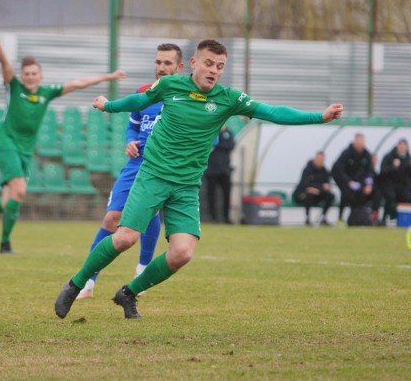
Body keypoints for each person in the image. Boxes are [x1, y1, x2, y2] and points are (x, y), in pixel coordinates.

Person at [55, 39, 343, 319]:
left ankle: (128, 293)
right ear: (193, 63)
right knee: (125, 237)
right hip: (153, 175)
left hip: (186, 186)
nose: (214, 70)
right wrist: (109, 105)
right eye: (208, 63)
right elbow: (139, 101)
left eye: (219, 66)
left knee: (182, 253)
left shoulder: (229, 99)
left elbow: (272, 112)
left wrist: (320, 116)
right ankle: (76, 284)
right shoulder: (169, 85)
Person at [0, 20, 125, 254]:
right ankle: (5, 245)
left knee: (6, 202)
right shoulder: (14, 87)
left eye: (34, 74)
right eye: (27, 74)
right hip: (7, 145)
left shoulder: (46, 93)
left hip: (25, 151)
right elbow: (4, 62)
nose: (30, 77)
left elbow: (79, 83)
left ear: (40, 76)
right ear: (22, 75)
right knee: (19, 190)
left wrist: (109, 76)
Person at [77, 43, 184, 300]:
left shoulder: (185, 99)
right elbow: (133, 127)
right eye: (158, 62)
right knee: (112, 218)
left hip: (161, 168)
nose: (161, 68)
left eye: (167, 63)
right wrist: (130, 141)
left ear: (179, 67)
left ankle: (142, 271)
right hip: (136, 165)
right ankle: (87, 282)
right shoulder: (144, 93)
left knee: (150, 217)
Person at [331, 133, 377, 225]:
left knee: (375, 192)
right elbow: (338, 170)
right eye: (358, 142)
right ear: (354, 142)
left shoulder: (367, 154)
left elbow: (370, 171)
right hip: (346, 181)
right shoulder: (346, 153)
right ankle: (340, 218)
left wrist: (369, 184)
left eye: (361, 142)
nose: (360, 144)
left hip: (360, 182)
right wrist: (348, 182)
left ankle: (370, 218)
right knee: (346, 195)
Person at [292, 151, 335, 226]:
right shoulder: (307, 169)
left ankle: (323, 218)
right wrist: (319, 187)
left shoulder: (325, 171)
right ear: (314, 158)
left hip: (318, 194)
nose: (319, 161)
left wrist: (318, 189)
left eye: (321, 160)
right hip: (302, 194)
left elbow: (327, 185)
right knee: (310, 194)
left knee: (330, 196)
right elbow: (305, 184)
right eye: (318, 159)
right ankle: (307, 219)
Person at [204, 124, 235, 224]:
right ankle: (213, 217)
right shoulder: (211, 130)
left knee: (227, 194)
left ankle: (226, 217)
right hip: (211, 169)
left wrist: (217, 145)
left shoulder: (228, 133)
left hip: (225, 170)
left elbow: (231, 145)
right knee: (211, 195)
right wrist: (221, 144)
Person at [379, 138, 411, 225]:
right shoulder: (389, 157)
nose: (402, 147)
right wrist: (393, 167)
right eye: (400, 145)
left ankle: (404, 221)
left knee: (408, 197)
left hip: (403, 187)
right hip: (389, 186)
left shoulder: (408, 159)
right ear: (397, 146)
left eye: (404, 145)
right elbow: (382, 172)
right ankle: (383, 219)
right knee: (390, 197)